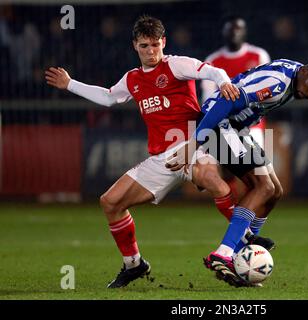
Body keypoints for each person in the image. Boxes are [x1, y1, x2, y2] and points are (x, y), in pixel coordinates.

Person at [45, 14, 243, 289]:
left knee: (213, 180)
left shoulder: (175, 65)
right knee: (110, 202)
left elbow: (212, 70)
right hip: (161, 160)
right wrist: (70, 84)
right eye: (144, 46)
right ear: (134, 46)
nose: (151, 52)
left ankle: (245, 240)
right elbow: (107, 97)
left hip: (193, 145)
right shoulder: (133, 79)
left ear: (163, 42)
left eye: (154, 45)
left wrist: (223, 83)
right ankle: (134, 264)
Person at [167, 57, 308, 287]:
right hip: (218, 124)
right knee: (263, 186)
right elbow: (226, 102)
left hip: (235, 128)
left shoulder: (294, 73)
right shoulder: (277, 83)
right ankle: (225, 254)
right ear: (306, 71)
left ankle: (241, 253)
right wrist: (195, 143)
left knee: (275, 191)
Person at [201, 16, 271, 204]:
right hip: (225, 124)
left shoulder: (258, 56)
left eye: (238, 29)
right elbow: (208, 98)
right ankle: (236, 209)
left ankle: (247, 211)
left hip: (252, 125)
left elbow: (264, 92)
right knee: (229, 168)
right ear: (224, 33)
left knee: (256, 173)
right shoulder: (213, 61)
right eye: (231, 29)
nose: (235, 33)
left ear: (245, 32)